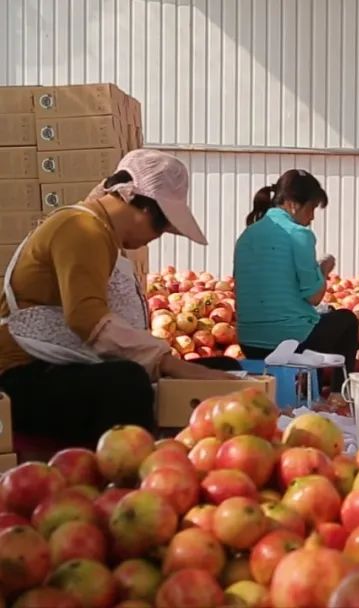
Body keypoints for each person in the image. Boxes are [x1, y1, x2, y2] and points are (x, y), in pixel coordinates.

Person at [0, 149, 238, 446]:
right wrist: (167, 362)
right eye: (161, 226)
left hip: (66, 364)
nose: (158, 236)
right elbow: (86, 319)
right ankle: (127, 476)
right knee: (126, 382)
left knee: (223, 370)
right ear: (145, 209)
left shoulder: (101, 234)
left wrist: (178, 366)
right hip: (24, 378)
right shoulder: (81, 229)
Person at [233, 169, 358, 392]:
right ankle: (341, 394)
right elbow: (314, 296)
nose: (312, 217)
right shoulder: (298, 234)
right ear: (292, 204)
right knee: (346, 321)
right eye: (311, 208)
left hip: (249, 342)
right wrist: (324, 269)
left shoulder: (247, 235)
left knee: (317, 323)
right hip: (289, 342)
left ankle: (311, 390)